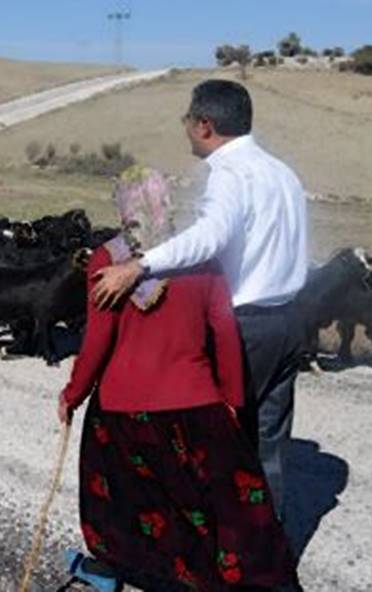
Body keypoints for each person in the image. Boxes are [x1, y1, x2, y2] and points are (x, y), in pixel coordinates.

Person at [59, 165, 297, 591]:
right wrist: (232, 400)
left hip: (122, 411)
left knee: (125, 500)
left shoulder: (107, 260)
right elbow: (224, 332)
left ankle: (133, 571)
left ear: (123, 206)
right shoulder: (199, 256)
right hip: (197, 404)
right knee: (215, 503)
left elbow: (96, 341)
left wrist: (72, 394)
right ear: (166, 202)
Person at [90, 80, 309, 525]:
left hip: (247, 327)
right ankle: (271, 546)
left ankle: (228, 547)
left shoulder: (230, 173)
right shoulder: (282, 172)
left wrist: (139, 266)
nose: (185, 127)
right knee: (269, 444)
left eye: (187, 119)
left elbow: (210, 237)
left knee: (224, 445)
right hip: (288, 322)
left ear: (204, 125)